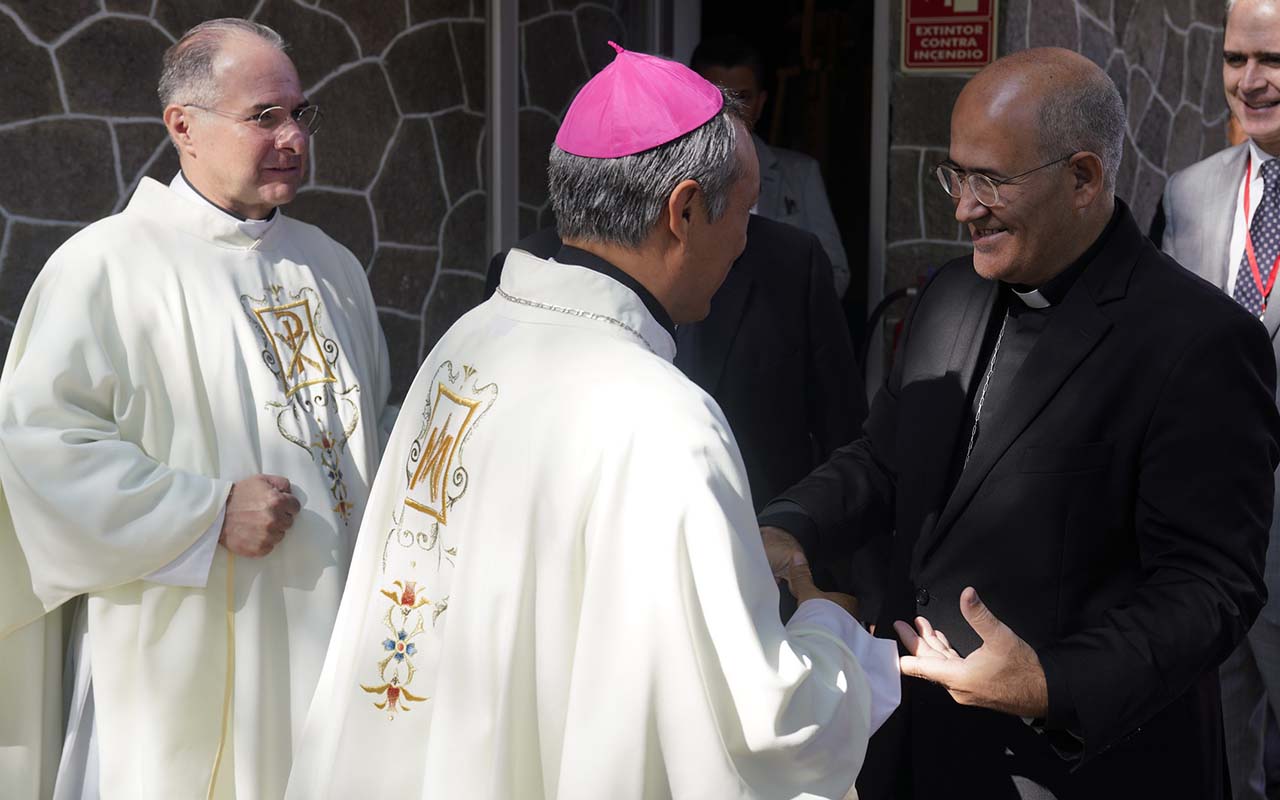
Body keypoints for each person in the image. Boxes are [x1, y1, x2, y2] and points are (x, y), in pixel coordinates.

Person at [286, 43, 899, 800]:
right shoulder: (664, 418)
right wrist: (833, 636)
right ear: (682, 210)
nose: (746, 240)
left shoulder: (465, 344)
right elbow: (762, 720)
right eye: (743, 211)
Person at [760, 47, 1280, 799]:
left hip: (1083, 767)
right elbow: (885, 457)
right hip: (920, 748)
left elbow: (1210, 587)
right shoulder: (950, 293)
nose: (963, 206)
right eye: (955, 174)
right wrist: (790, 524)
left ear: (1082, 178)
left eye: (990, 181)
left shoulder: (1198, 341)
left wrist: (1051, 683)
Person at [0, 19, 394, 799]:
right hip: (178, 661)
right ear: (183, 126)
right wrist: (207, 512)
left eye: (299, 114)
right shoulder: (104, 267)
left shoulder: (334, 267)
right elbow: (38, 451)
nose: (292, 138)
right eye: (264, 117)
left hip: (328, 651)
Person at [484, 216, 879, 619]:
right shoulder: (528, 269)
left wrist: (856, 596)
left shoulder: (789, 259)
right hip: (582, 594)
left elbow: (844, 436)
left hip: (758, 587)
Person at [1160, 2, 1280, 796]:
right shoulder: (1189, 194)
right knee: (1224, 734)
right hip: (1209, 529)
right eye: (1235, 59)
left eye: (1272, 60)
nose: (1250, 80)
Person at [690, 34, 851, 298]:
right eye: (717, 96)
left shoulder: (800, 174)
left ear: (761, 103)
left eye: (742, 97)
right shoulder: (671, 176)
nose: (730, 111)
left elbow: (834, 271)